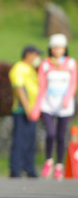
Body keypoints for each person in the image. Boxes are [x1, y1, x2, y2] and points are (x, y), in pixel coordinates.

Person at [33, 33, 77, 180]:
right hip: (48, 104)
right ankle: (48, 160)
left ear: (64, 49)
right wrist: (37, 106)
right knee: (50, 133)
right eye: (55, 48)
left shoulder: (71, 63)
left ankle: (59, 165)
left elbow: (73, 84)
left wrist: (67, 97)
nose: (57, 50)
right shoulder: (45, 64)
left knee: (61, 135)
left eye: (60, 48)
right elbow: (42, 85)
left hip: (64, 105)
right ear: (51, 49)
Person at [8, 45, 42, 178]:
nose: (37, 58)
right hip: (22, 110)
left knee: (30, 140)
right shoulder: (19, 68)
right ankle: (16, 169)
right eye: (35, 55)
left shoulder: (30, 69)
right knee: (20, 140)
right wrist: (27, 107)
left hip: (32, 111)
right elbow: (19, 88)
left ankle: (29, 168)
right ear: (28, 54)